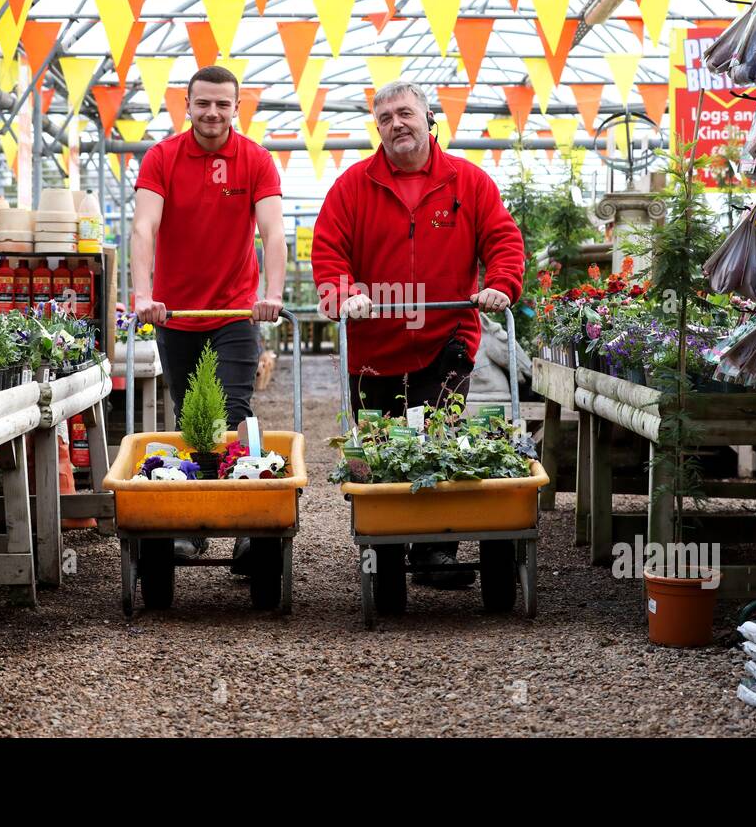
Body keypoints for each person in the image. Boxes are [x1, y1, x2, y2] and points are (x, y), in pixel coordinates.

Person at [311, 80, 526, 588]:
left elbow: (502, 240)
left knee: (435, 440)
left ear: (430, 118)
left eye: (405, 113)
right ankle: (383, 544)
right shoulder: (352, 186)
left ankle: (434, 550)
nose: (395, 125)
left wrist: (499, 284)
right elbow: (328, 253)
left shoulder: (467, 182)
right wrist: (344, 294)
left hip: (445, 338)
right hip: (372, 349)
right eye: (385, 119)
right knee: (379, 447)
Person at [131, 65, 287, 564]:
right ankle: (192, 518)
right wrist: (142, 296)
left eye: (223, 104)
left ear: (236, 108)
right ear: (188, 106)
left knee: (231, 410)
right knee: (189, 416)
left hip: (234, 310)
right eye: (203, 104)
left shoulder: (256, 160)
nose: (213, 113)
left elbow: (274, 232)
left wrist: (273, 294)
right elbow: (142, 228)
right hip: (175, 312)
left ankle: (247, 519)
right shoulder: (162, 157)